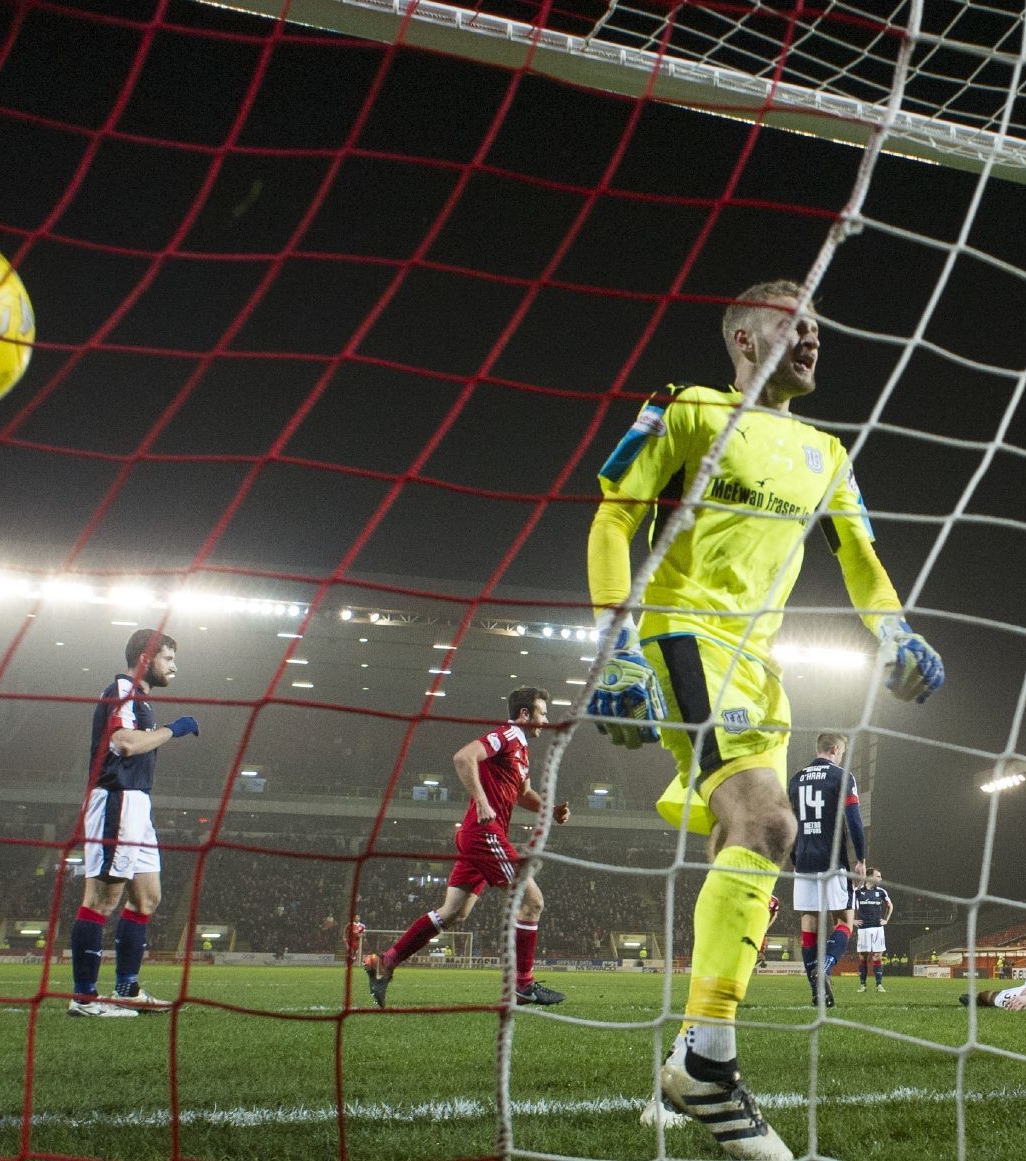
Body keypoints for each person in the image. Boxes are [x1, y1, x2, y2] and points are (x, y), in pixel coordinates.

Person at [587, 279, 943, 1160]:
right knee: (768, 819)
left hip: (759, 665)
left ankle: (686, 1054)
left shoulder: (828, 451)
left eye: (820, 322)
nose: (814, 334)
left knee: (754, 840)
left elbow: (861, 556)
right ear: (745, 340)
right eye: (794, 322)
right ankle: (708, 1064)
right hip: (680, 637)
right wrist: (614, 641)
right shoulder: (688, 409)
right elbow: (614, 515)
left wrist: (893, 629)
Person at [367, 687, 570, 1008]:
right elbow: (463, 757)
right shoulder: (506, 735)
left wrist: (551, 808)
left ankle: (386, 962)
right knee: (532, 901)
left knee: (454, 913)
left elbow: (524, 794)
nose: (547, 720)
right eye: (543, 713)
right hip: (483, 833)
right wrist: (480, 800)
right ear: (525, 714)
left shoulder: (522, 751)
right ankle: (524, 986)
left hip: (479, 836)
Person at [68, 629, 198, 1017]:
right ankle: (85, 997)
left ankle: (126, 990)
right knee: (102, 899)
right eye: (168, 658)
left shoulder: (139, 698)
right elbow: (123, 743)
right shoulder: (122, 691)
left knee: (147, 898)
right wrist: (173, 730)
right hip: (117, 799)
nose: (174, 667)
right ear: (146, 658)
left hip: (137, 802)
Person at [787, 732, 864, 1007]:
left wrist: (795, 856)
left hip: (804, 859)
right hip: (832, 860)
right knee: (844, 921)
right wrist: (861, 857)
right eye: (841, 752)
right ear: (834, 749)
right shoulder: (842, 776)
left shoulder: (796, 779)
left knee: (809, 926)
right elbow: (854, 820)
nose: (841, 756)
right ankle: (826, 967)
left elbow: (791, 823)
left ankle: (815, 991)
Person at [853, 868, 892, 992]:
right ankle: (863, 985)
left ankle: (879, 984)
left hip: (877, 928)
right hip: (863, 929)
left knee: (877, 957)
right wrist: (852, 921)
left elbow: (890, 906)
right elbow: (848, 906)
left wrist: (886, 920)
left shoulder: (881, 892)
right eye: (878, 876)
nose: (880, 879)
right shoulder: (858, 892)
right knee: (863, 957)